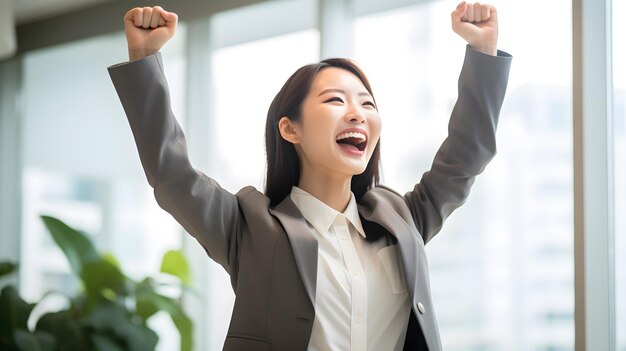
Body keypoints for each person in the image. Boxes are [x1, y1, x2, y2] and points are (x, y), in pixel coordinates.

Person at [108, 2, 512, 350]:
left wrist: (481, 50)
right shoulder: (249, 227)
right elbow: (171, 174)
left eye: (367, 103)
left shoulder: (403, 220)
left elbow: (466, 154)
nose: (357, 113)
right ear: (290, 129)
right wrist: (145, 58)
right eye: (335, 100)